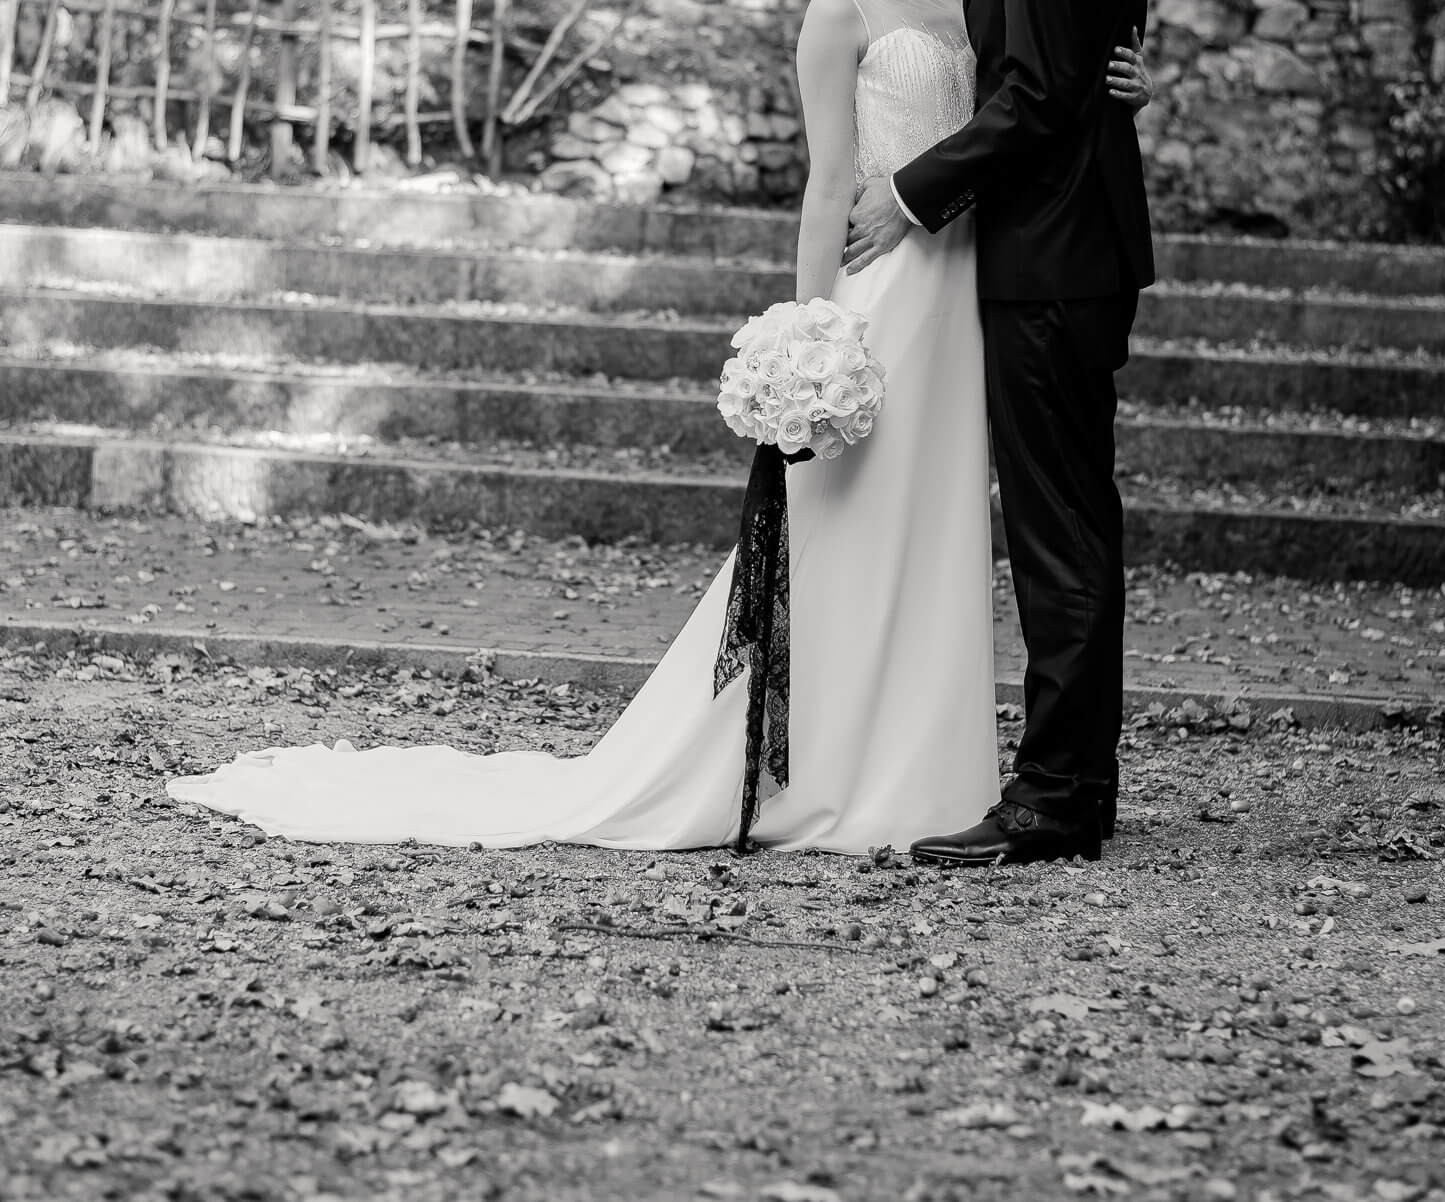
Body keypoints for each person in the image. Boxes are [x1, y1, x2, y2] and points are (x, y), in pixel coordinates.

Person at [165, 0, 1153, 859]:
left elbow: (1048, 84)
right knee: (846, 533)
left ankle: (947, 768)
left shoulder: (973, 3)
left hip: (967, 289)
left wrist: (1124, 83)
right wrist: (807, 333)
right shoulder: (836, 15)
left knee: (944, 541)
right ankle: (822, 768)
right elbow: (827, 184)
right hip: (889, 290)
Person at [845, 0, 1156, 866]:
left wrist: (909, 193)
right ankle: (1082, 784)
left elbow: (1038, 97)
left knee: (1058, 531)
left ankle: (1055, 796)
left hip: (1052, 259)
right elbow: (1080, 61)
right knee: (1073, 525)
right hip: (1066, 250)